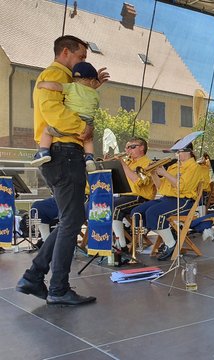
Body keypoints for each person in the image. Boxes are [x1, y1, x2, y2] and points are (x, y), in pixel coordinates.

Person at [16, 35, 108, 306]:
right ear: (65, 52)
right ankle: (57, 288)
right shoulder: (55, 74)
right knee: (71, 220)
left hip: (63, 155)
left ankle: (34, 276)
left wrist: (92, 87)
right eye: (81, 57)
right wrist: (84, 129)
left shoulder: (67, 79)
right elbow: (54, 111)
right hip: (65, 153)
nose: (83, 63)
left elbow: (74, 102)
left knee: (71, 217)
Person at [130, 142, 203, 261]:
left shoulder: (194, 167)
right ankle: (170, 235)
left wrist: (164, 173)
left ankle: (170, 243)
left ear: (189, 151)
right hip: (167, 198)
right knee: (137, 211)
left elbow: (182, 188)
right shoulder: (173, 167)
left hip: (183, 201)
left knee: (153, 213)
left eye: (180, 151)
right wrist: (153, 173)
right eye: (176, 151)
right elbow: (160, 187)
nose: (177, 154)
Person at [31, 62, 101, 171]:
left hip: (72, 120)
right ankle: (89, 158)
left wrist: (42, 84)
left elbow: (56, 86)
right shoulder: (95, 94)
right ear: (92, 81)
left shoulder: (72, 87)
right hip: (88, 121)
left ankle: (43, 152)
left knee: (47, 131)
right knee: (88, 139)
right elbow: (93, 103)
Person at [111, 138, 155, 251]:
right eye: (127, 148)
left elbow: (139, 182)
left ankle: (121, 246)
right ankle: (113, 242)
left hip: (140, 197)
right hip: (124, 196)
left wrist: (122, 164)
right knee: (104, 206)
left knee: (115, 208)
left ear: (142, 147)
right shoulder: (128, 162)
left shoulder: (147, 163)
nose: (128, 150)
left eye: (132, 147)